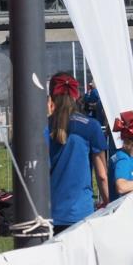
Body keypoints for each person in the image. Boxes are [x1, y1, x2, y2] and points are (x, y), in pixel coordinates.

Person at [47, 73, 109, 234]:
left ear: (51, 96)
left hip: (47, 212)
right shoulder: (91, 126)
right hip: (79, 213)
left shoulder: (43, 127)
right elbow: (102, 175)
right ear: (77, 94)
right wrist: (109, 203)